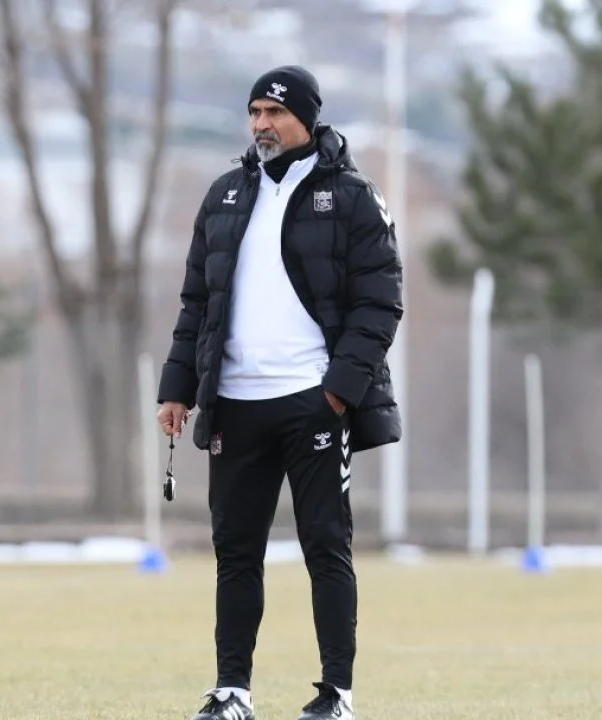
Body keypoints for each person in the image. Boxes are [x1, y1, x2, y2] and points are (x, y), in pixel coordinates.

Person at [155, 65, 403, 720]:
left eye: (275, 112)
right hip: (234, 404)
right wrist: (178, 387)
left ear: (307, 119)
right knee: (236, 553)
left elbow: (380, 303)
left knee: (326, 546)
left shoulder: (352, 197)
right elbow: (197, 303)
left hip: (312, 401)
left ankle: (336, 694)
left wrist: (338, 392)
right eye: (255, 112)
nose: (261, 124)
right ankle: (232, 692)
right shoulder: (224, 196)